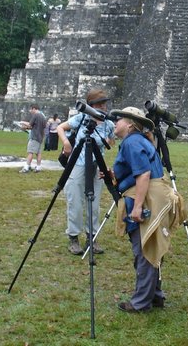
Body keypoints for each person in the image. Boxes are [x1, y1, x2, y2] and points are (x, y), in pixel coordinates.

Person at [110, 106, 184, 312]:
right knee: (151, 247)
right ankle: (155, 295)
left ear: (131, 124)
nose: (115, 122)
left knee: (144, 250)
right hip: (153, 195)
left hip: (147, 198)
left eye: (120, 119)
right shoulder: (139, 141)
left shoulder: (132, 142)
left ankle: (141, 302)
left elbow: (143, 174)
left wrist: (139, 206)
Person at [56, 89, 115, 255]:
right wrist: (66, 143)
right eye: (100, 103)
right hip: (78, 164)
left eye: (105, 103)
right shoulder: (81, 118)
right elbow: (60, 127)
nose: (103, 106)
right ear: (92, 105)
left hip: (97, 165)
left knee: (94, 204)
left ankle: (92, 236)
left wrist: (108, 141)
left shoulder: (108, 124)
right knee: (74, 200)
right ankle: (73, 236)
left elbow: (112, 140)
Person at [18, 105, 47, 173]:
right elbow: (43, 126)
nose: (30, 111)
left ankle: (26, 167)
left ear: (34, 109)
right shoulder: (43, 116)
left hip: (34, 137)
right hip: (41, 137)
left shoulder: (36, 115)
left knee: (30, 152)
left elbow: (30, 125)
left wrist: (23, 125)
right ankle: (38, 167)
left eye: (31, 109)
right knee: (38, 153)